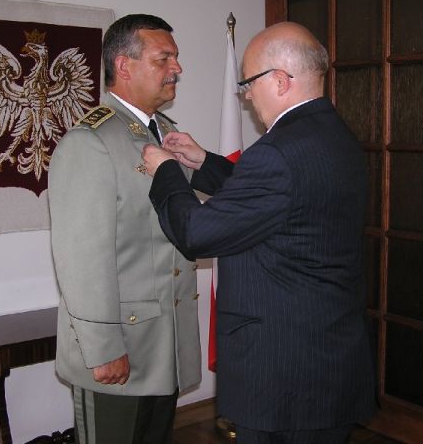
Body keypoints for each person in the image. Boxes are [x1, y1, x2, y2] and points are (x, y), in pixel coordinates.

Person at [141, 22, 377, 444]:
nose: (247, 95)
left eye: (249, 83)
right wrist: (204, 162)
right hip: (327, 355)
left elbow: (196, 232)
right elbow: (283, 199)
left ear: (281, 81)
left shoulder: (277, 152)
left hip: (285, 373)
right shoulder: (330, 132)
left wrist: (166, 173)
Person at [48, 14, 201, 444]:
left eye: (176, 57)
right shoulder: (91, 142)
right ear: (124, 65)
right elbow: (81, 260)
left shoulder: (167, 134)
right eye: (163, 58)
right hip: (120, 347)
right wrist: (103, 348)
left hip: (163, 343)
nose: (177, 68)